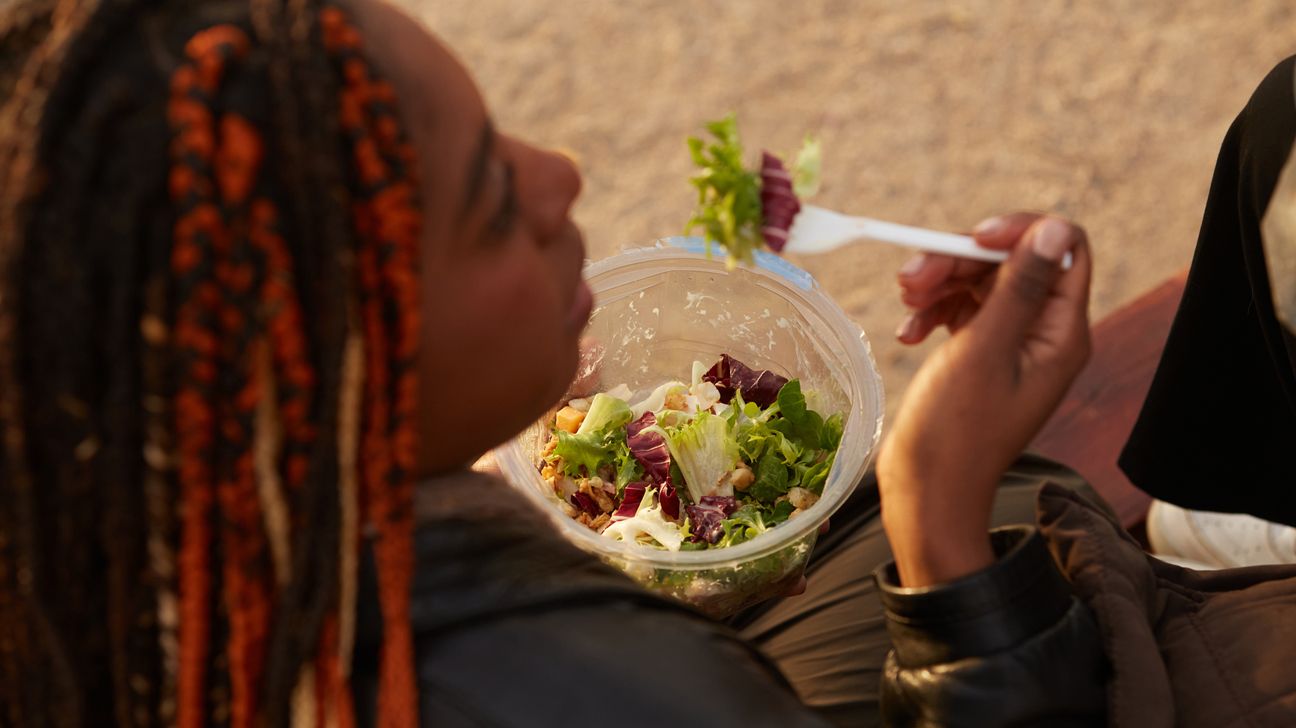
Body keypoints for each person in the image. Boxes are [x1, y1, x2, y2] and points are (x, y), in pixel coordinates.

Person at [1, 1, 1294, 727]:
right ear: (342, 388)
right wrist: (941, 512)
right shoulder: (624, 698)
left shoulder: (178, 560)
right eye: (489, 205)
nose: (560, 175)